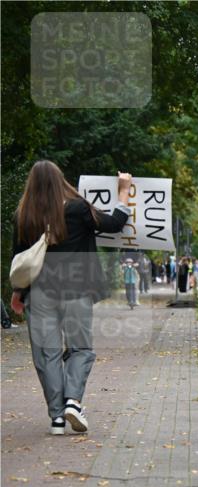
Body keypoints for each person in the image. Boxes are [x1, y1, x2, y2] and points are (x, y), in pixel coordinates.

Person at [10, 162, 132, 435]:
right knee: (80, 349)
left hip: (40, 292)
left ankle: (56, 418)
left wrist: (17, 294)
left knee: (46, 355)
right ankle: (73, 402)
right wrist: (124, 190)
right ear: (59, 180)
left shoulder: (23, 215)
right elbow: (113, 223)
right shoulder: (77, 208)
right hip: (76, 290)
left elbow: (19, 259)